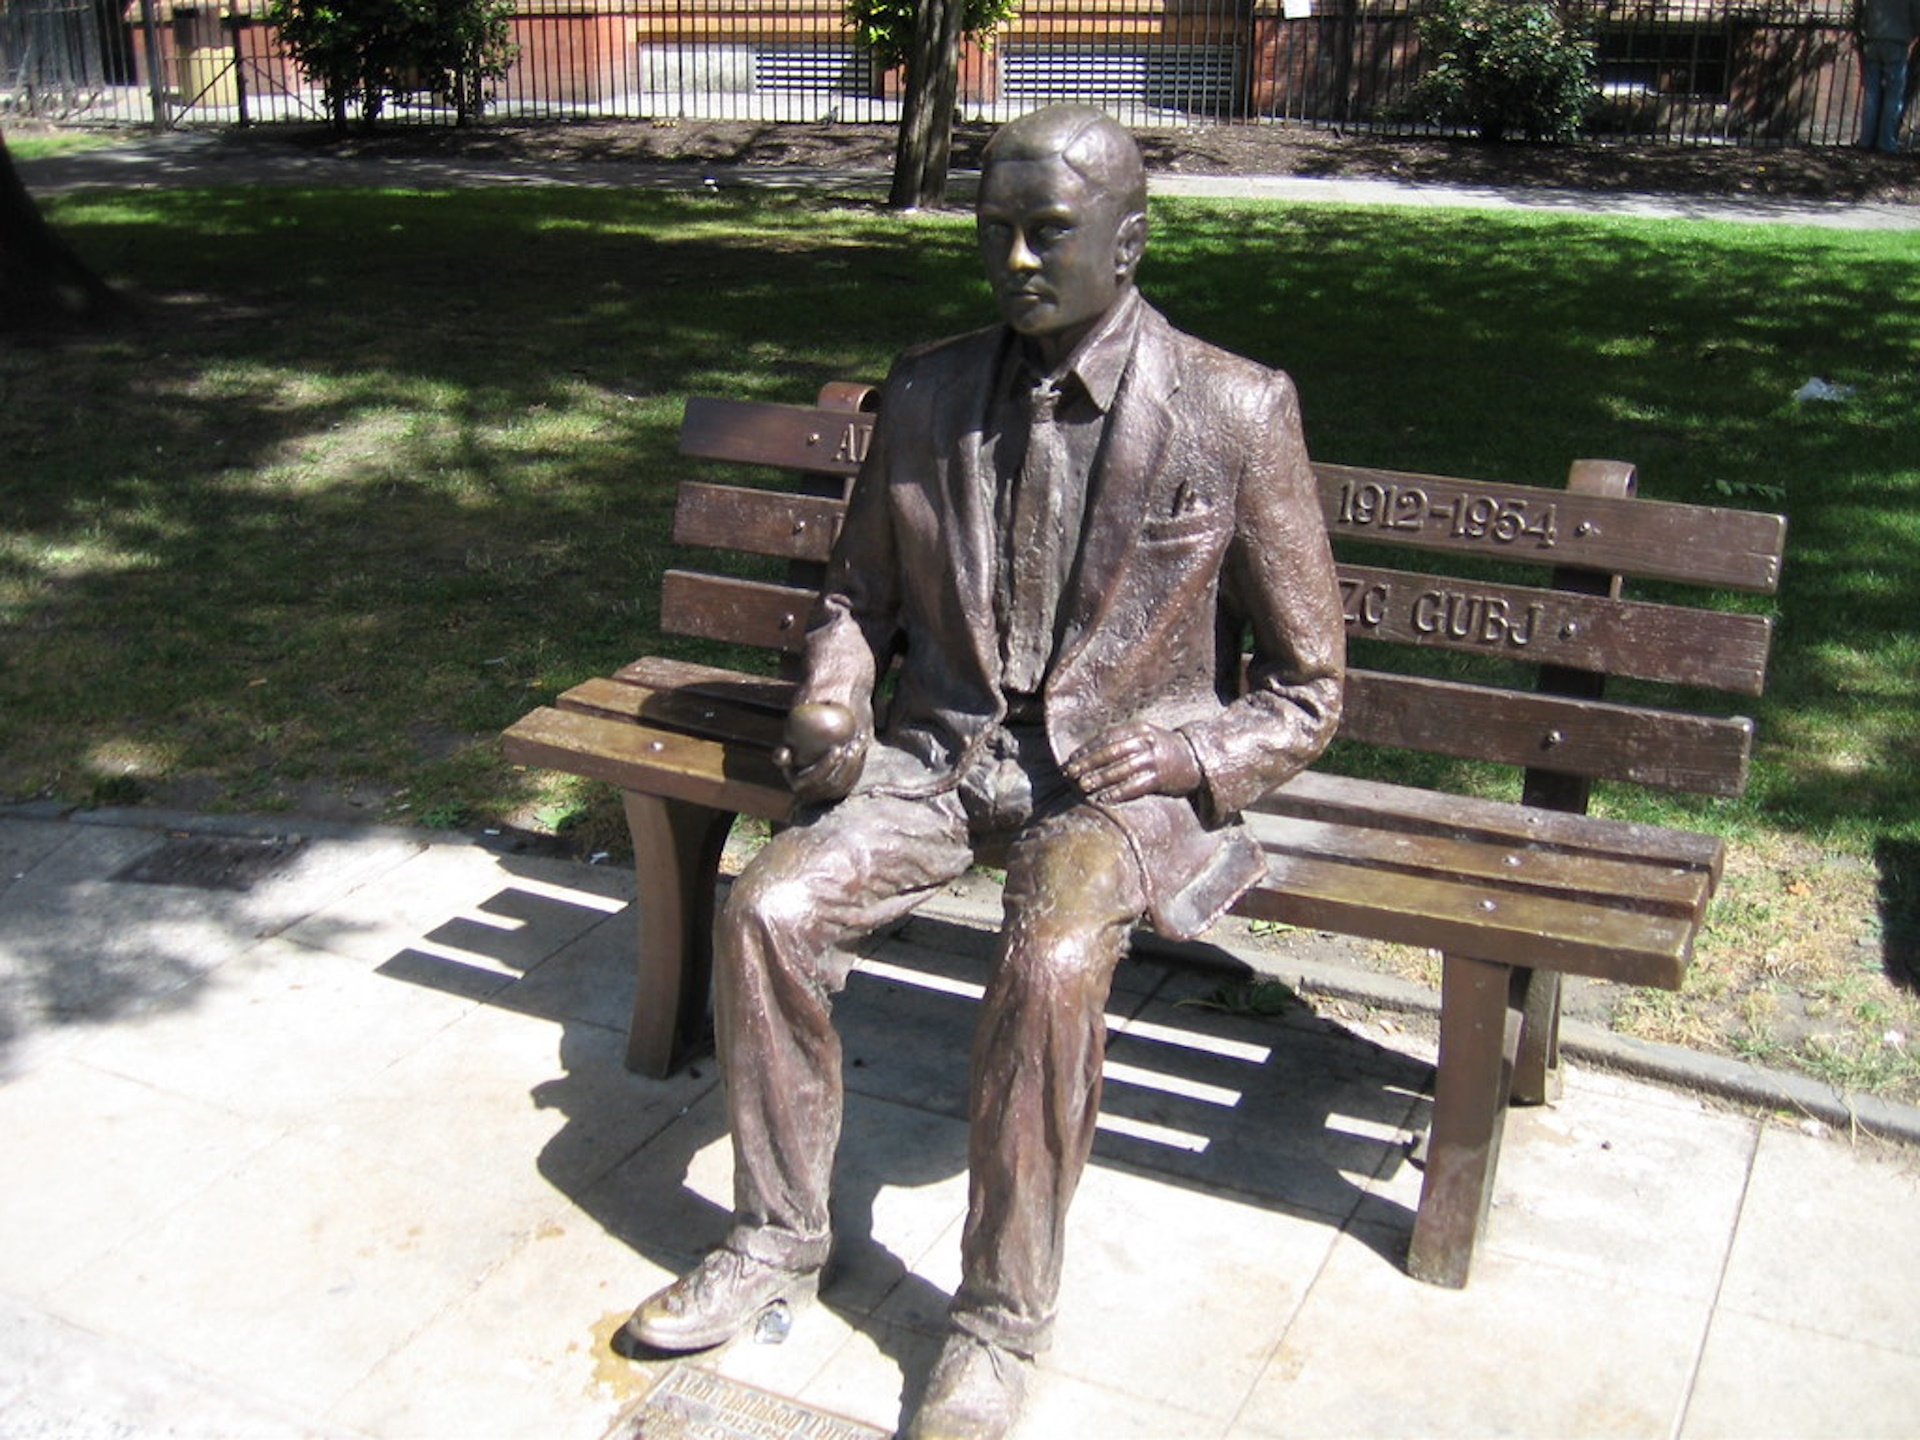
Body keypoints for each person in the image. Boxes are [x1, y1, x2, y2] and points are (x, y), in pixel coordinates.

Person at [624, 104, 1346, 1440]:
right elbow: (857, 598)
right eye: (994, 230)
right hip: (942, 752)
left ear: (1127, 242)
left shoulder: (1236, 409)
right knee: (771, 907)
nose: (1015, 260)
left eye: (1048, 233)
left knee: (1051, 961)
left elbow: (1309, 693)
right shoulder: (930, 390)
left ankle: (1000, 1321)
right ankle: (776, 1236)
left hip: (1113, 787)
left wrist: (1190, 750)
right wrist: (837, 690)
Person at [1859, 0, 1920, 151]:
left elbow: (1865, 14)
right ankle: (1885, 141)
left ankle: (1866, 139)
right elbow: (1917, 16)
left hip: (1873, 39)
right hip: (1897, 41)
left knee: (1871, 94)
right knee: (1893, 95)